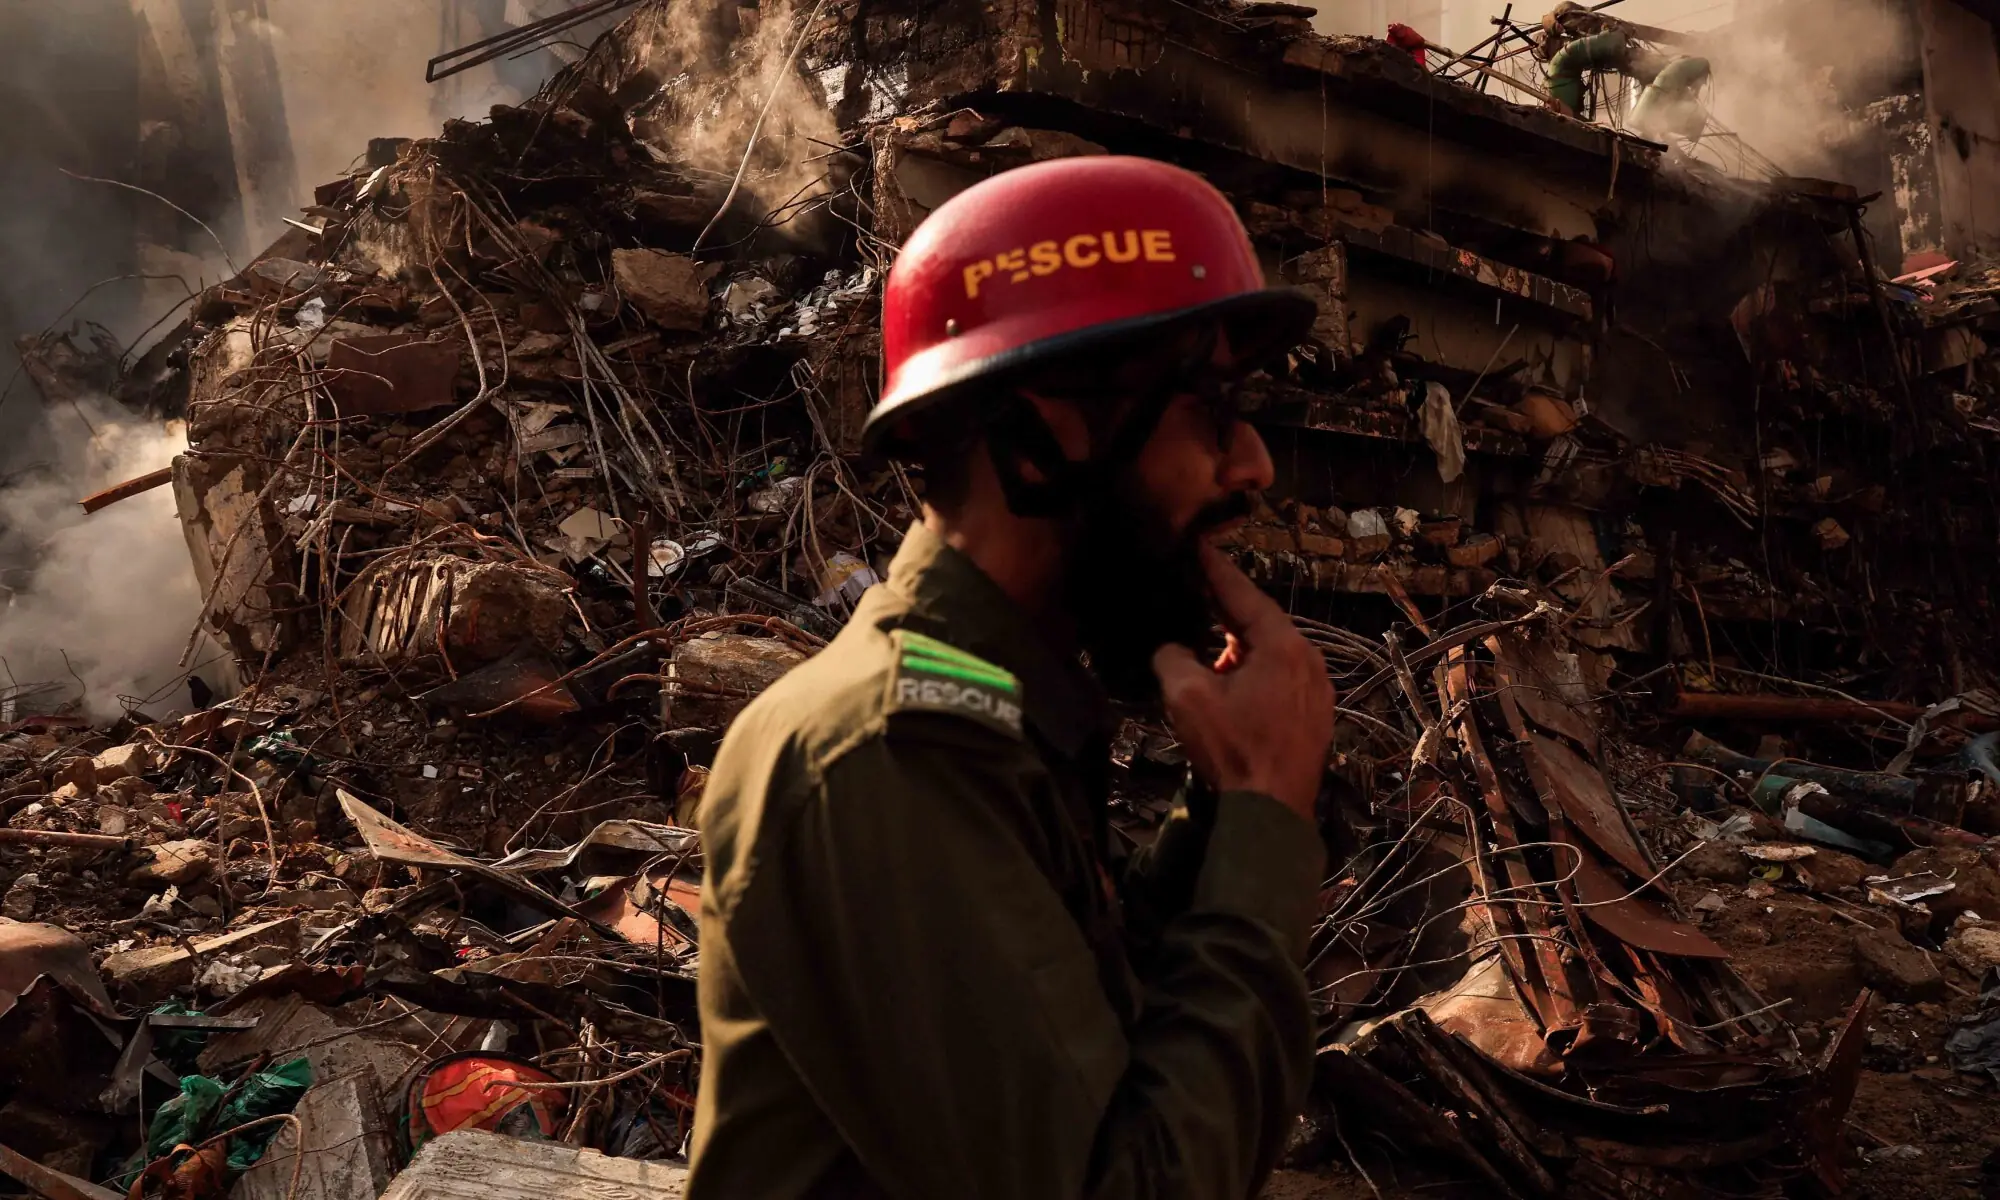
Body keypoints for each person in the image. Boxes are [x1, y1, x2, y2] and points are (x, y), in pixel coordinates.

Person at [686, 155, 1337, 1198]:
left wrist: (1222, 811)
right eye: (1209, 405)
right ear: (1050, 428)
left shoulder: (990, 711)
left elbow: (1089, 1040)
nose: (1252, 463)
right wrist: (1263, 814)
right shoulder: (885, 756)